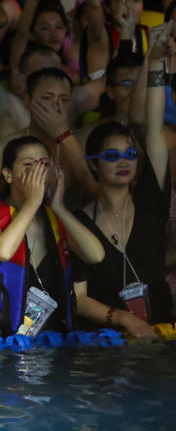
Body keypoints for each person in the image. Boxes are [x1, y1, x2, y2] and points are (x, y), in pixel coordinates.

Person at [72, 27, 175, 334]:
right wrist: (123, 319)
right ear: (93, 167)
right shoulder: (80, 220)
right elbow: (77, 299)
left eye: (130, 153)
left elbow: (154, 128)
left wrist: (155, 62)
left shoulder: (150, 199)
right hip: (105, 346)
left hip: (161, 338)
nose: (124, 161)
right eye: (112, 156)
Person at [0, 136, 104, 335]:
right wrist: (32, 202)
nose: (38, 172)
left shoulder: (56, 218)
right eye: (28, 165)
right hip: (0, 347)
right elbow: (2, 251)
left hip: (53, 343)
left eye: (44, 164)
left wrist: (59, 207)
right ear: (8, 175)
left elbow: (95, 255)